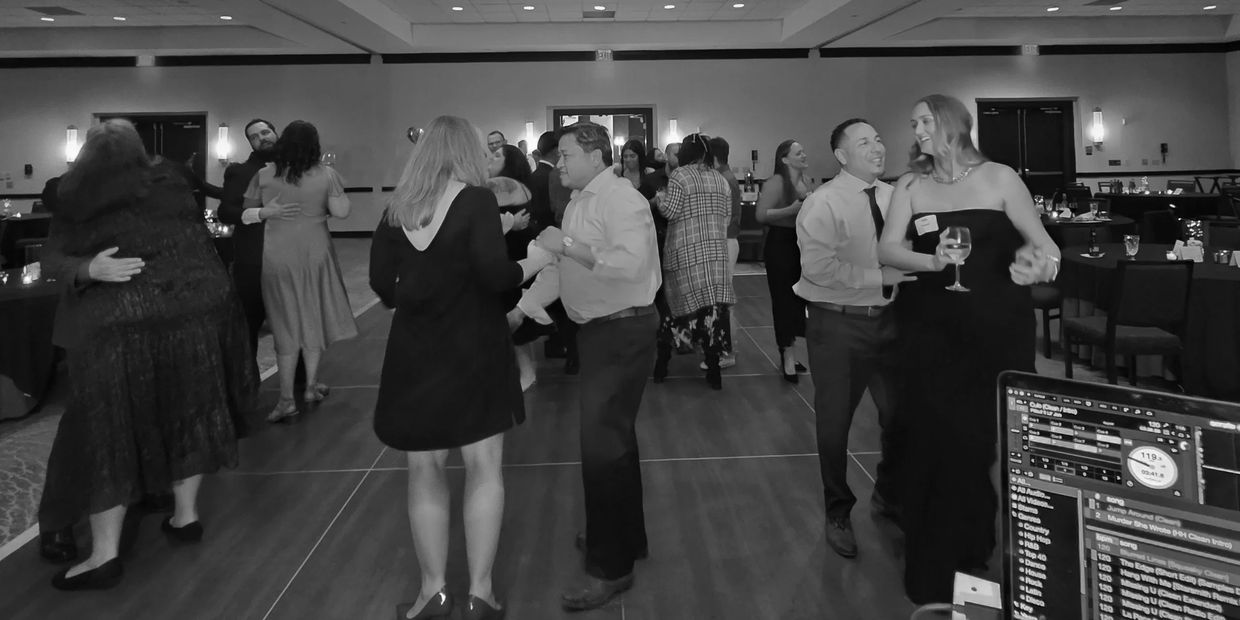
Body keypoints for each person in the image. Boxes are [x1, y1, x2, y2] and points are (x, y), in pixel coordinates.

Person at [38, 119, 256, 590]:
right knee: (188, 411)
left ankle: (104, 555)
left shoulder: (77, 195)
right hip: (192, 315)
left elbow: (51, 259)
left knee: (109, 428)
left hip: (117, 325)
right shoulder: (171, 184)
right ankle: (185, 516)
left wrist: (88, 269)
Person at [877, 94, 1059, 604]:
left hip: (995, 331)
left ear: (953, 123)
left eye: (924, 120)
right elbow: (886, 248)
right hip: (928, 331)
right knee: (930, 441)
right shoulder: (910, 185)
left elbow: (1045, 246)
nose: (916, 130)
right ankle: (932, 566)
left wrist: (1039, 265)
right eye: (913, 122)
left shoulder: (1001, 178)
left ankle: (976, 554)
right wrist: (932, 263)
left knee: (980, 444)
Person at [370, 115, 553, 620]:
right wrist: (537, 261)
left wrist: (422, 292)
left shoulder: (396, 208)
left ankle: (432, 592)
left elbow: (383, 285)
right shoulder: (476, 201)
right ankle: (480, 593)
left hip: (414, 350)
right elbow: (496, 275)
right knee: (483, 467)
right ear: (467, 152)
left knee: (424, 468)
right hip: (475, 346)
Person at [511, 122, 661, 611]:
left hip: (621, 330)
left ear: (597, 157)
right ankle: (624, 536)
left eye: (568, 154)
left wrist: (568, 245)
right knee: (615, 444)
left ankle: (610, 568)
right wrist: (521, 310)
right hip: (600, 333)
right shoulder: (580, 201)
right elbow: (562, 268)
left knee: (602, 450)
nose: (560, 163)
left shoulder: (620, 199)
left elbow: (630, 263)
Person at [797, 118, 915, 559]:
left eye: (878, 139)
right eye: (864, 143)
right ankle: (837, 511)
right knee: (834, 424)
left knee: (900, 416)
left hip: (891, 322)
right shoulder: (823, 203)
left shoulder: (896, 197)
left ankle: (890, 494)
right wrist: (877, 277)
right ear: (842, 156)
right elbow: (818, 270)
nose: (877, 147)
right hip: (838, 325)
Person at [242, 120, 357, 422]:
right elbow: (342, 211)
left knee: (284, 324)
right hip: (316, 253)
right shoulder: (326, 174)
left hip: (278, 256)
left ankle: (285, 399)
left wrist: (267, 212)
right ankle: (309, 387)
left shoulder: (263, 174)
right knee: (312, 318)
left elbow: (245, 213)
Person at [653, 133, 735, 389]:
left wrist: (660, 199)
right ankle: (714, 373)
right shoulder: (720, 179)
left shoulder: (680, 175)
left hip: (686, 254)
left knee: (675, 313)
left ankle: (661, 368)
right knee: (711, 314)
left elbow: (670, 211)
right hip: (715, 255)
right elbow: (727, 216)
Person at [216, 118, 298, 353]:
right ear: (250, 144)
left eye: (265, 132)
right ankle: (246, 376)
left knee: (295, 329)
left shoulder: (297, 168)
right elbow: (226, 212)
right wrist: (261, 213)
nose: (261, 138)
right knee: (247, 330)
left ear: (275, 133)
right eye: (254, 137)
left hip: (293, 262)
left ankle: (300, 375)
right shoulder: (240, 172)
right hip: (254, 264)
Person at [757, 139, 812, 382]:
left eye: (803, 152)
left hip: (801, 244)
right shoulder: (776, 182)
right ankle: (787, 356)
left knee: (799, 301)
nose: (804, 155)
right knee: (783, 301)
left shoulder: (805, 181)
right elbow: (761, 215)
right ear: (784, 159)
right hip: (780, 244)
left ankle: (793, 352)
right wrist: (791, 210)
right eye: (798, 153)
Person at [706, 136, 742, 369]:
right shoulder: (726, 177)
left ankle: (726, 351)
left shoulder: (723, 180)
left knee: (722, 300)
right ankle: (723, 347)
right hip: (727, 240)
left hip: (725, 241)